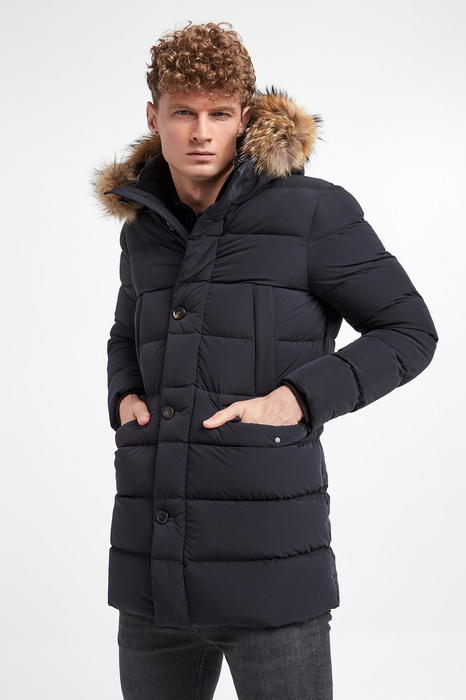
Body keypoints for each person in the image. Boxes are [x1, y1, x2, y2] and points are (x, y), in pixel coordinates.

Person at [94, 21, 438, 700]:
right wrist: (125, 396)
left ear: (246, 117)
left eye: (219, 114)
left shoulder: (313, 213)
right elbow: (124, 333)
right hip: (152, 574)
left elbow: (408, 330)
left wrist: (298, 400)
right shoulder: (145, 229)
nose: (200, 133)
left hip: (272, 572)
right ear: (153, 117)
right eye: (183, 112)